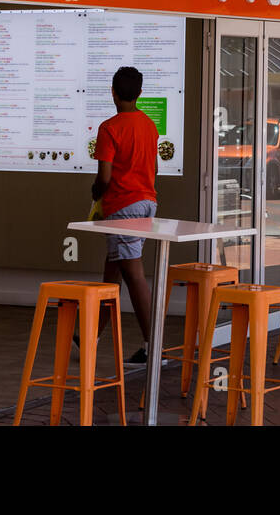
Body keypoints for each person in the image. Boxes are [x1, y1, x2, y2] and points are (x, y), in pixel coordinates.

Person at [91, 66, 159, 364]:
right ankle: (92, 334)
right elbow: (154, 168)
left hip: (122, 206)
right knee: (114, 269)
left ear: (113, 92)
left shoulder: (109, 128)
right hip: (147, 202)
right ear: (140, 93)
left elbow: (104, 178)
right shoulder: (149, 125)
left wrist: (95, 194)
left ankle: (153, 345)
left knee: (133, 273)